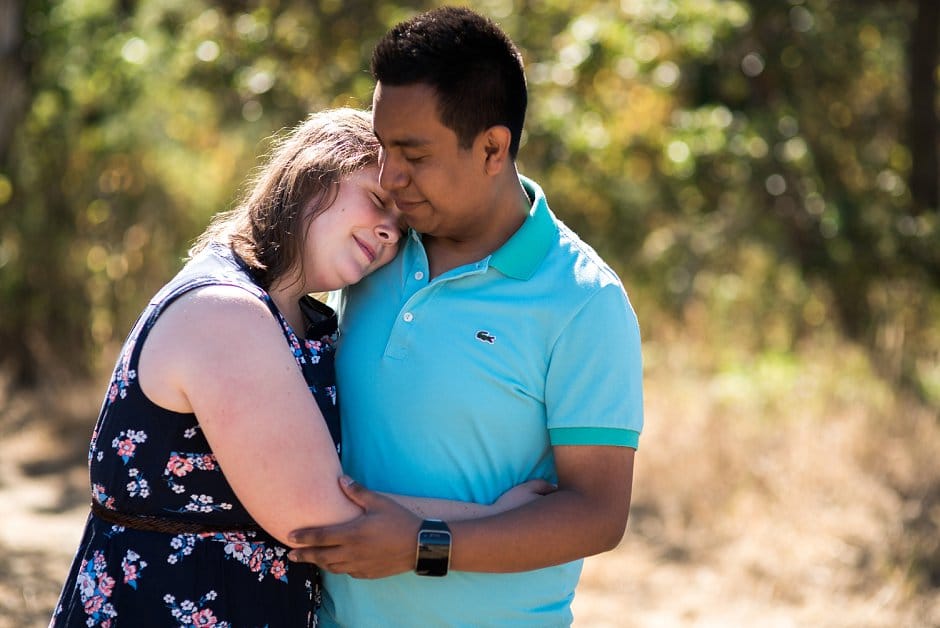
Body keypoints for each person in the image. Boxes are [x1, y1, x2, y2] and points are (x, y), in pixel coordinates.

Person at [50, 107, 548, 627]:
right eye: (378, 201)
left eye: (401, 229)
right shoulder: (226, 311)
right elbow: (318, 517)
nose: (388, 234)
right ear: (315, 172)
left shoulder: (305, 320)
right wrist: (498, 517)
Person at [287, 7, 645, 627]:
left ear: (492, 148)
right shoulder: (374, 247)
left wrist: (423, 545)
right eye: (381, 148)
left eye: (414, 154)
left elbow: (598, 513)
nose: (389, 176)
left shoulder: (584, 302)